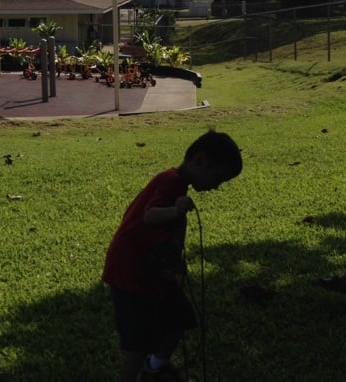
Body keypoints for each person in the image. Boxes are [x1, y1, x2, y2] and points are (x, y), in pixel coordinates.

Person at [102, 129, 243, 382]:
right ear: (199, 160)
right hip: (130, 268)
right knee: (138, 342)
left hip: (153, 268)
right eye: (217, 178)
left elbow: (166, 235)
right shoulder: (170, 181)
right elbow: (150, 215)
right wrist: (175, 210)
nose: (216, 186)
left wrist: (175, 261)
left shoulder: (181, 187)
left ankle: (155, 367)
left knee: (179, 315)